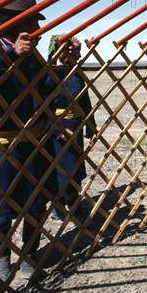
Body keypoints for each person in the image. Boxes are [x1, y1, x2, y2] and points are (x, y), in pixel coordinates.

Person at [0, 0, 52, 280]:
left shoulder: (34, 57)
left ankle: (30, 255)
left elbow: (48, 92)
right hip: (5, 146)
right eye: (33, 22)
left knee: (35, 202)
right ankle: (1, 257)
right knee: (1, 205)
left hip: (34, 142)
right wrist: (10, 56)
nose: (38, 29)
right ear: (17, 22)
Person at [47, 35, 96, 218]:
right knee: (61, 168)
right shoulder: (50, 72)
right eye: (70, 50)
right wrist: (57, 129)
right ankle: (58, 206)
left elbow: (85, 98)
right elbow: (42, 106)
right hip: (59, 127)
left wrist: (90, 123)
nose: (76, 53)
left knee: (76, 167)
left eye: (76, 51)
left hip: (76, 124)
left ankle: (73, 203)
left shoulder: (75, 71)